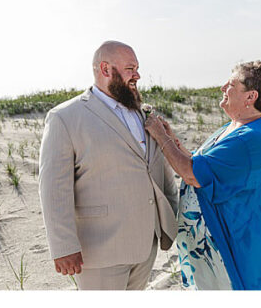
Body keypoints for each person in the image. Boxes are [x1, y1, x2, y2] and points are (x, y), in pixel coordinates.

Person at [39, 40, 179, 290]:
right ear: (105, 69)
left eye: (137, 68)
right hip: (100, 250)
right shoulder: (64, 118)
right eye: (130, 69)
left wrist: (173, 216)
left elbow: (158, 170)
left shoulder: (145, 113)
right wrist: (63, 246)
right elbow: (53, 188)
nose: (137, 75)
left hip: (147, 245)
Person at [144, 60, 261, 290]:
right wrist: (172, 139)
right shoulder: (235, 125)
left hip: (232, 245)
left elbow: (191, 173)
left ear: (250, 97)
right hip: (211, 246)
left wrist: (159, 136)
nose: (222, 87)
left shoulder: (251, 139)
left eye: (231, 84)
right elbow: (201, 161)